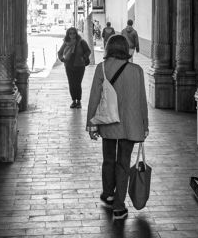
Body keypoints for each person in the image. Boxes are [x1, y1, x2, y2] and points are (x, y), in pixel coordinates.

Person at [86, 34, 149, 220]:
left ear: (108, 48)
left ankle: (108, 193)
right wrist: (144, 124)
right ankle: (119, 207)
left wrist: (91, 124)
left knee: (108, 159)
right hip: (129, 125)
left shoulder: (102, 68)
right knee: (123, 163)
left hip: (108, 122)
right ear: (126, 49)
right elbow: (141, 101)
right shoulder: (137, 70)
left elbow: (94, 98)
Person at [57, 27, 91, 108]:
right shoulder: (66, 42)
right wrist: (62, 59)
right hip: (69, 66)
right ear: (68, 34)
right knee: (71, 83)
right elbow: (60, 52)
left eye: (74, 33)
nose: (72, 35)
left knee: (77, 83)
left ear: (76, 33)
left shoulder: (81, 42)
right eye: (70, 33)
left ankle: (78, 101)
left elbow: (88, 51)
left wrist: (84, 57)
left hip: (79, 65)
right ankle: (73, 101)